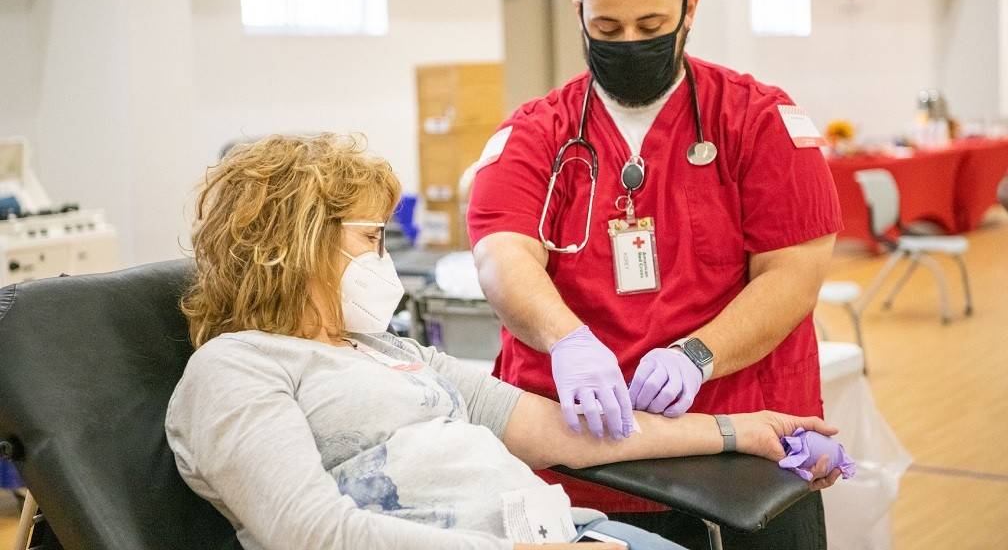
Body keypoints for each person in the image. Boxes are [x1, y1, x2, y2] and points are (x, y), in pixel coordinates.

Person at [165, 134, 840, 550]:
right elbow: (311, 535)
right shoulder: (238, 368)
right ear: (297, 244)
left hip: (551, 531)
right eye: (371, 238)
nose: (384, 259)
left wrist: (739, 430)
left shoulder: (387, 350)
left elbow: (554, 430)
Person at [467, 0, 844, 548]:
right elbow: (501, 255)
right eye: (608, 30)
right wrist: (568, 344)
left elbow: (794, 274)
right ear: (580, 12)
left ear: (688, 10)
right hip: (584, 455)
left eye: (650, 27)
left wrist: (699, 355)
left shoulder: (758, 119)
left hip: (745, 446)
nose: (629, 44)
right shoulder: (537, 131)